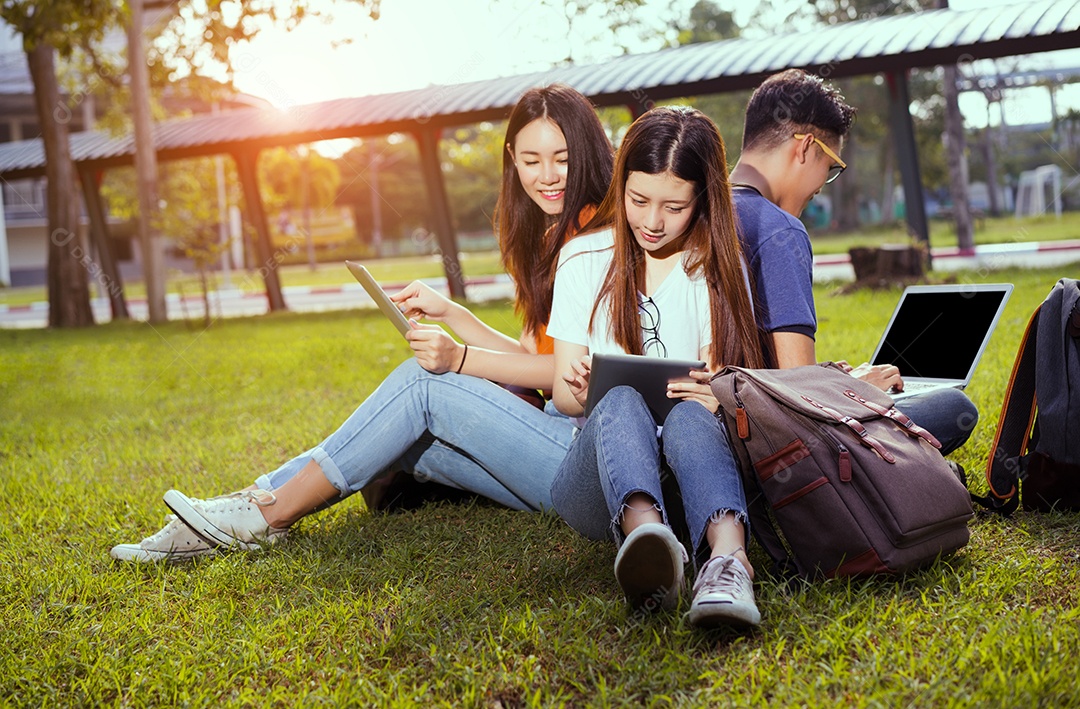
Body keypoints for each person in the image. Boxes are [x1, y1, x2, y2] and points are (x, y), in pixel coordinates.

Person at [110, 84, 614, 563]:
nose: (547, 175)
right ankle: (238, 509)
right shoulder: (551, 235)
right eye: (531, 160)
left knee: (422, 385)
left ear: (588, 154)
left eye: (563, 159)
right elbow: (535, 359)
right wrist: (453, 313)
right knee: (403, 444)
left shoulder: (595, 241)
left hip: (581, 458)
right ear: (512, 160)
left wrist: (458, 358)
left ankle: (267, 516)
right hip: (549, 441)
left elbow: (568, 378)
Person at [547, 106, 768, 630]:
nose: (650, 222)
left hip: (692, 470)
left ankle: (729, 561)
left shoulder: (716, 265)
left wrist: (719, 395)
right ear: (620, 185)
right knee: (618, 398)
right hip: (600, 478)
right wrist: (581, 389)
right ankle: (649, 540)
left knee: (692, 415)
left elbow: (730, 383)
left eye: (673, 206)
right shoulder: (582, 259)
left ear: (703, 199)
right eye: (638, 200)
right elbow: (560, 395)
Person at [728, 68, 978, 456]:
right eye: (830, 168)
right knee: (952, 406)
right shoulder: (779, 231)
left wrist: (832, 376)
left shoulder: (697, 211)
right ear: (806, 148)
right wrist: (858, 389)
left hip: (720, 423)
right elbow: (800, 396)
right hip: (772, 444)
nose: (821, 186)